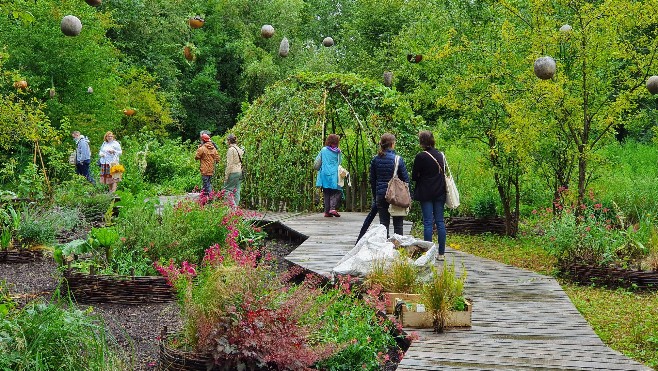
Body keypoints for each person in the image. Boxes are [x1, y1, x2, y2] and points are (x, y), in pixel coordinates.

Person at [411, 131, 447, 260]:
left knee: (427, 222)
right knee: (440, 222)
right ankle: (441, 253)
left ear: (422, 141)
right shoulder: (441, 155)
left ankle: (428, 254)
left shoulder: (421, 157)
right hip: (440, 192)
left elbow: (414, 176)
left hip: (426, 192)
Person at [370, 133, 409, 237]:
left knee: (383, 224)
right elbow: (406, 180)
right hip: (395, 195)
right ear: (392, 144)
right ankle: (398, 248)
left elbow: (372, 180)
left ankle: (384, 247)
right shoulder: (397, 159)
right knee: (398, 224)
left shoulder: (375, 159)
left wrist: (376, 196)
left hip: (381, 194)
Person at [315, 134, 343, 217]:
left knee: (326, 192)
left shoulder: (323, 150)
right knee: (337, 191)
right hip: (334, 174)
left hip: (324, 174)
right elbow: (339, 163)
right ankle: (332, 208)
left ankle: (327, 212)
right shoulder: (338, 152)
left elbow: (317, 162)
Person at [223, 133, 244, 207]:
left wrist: (226, 176)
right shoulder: (239, 149)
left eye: (227, 140)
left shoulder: (231, 150)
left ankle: (232, 208)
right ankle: (236, 208)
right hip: (239, 171)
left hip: (233, 172)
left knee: (227, 190)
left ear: (229, 141)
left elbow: (229, 164)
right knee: (237, 190)